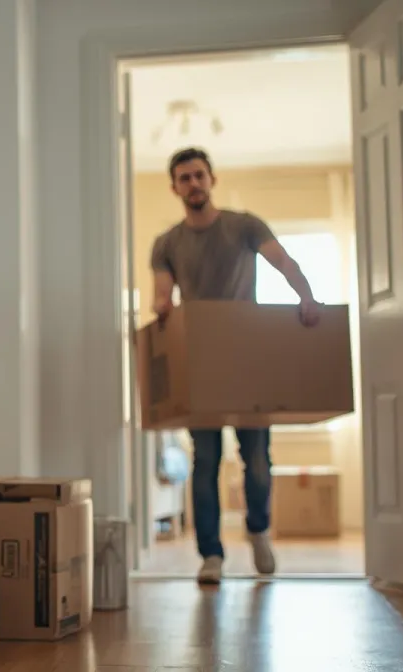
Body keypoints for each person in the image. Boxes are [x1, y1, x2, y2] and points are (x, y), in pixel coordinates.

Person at [149, 147, 321, 584]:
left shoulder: (244, 226)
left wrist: (306, 296)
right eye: (184, 178)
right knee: (205, 462)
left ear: (212, 179)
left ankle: (259, 531)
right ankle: (212, 556)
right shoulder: (167, 243)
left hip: (248, 358)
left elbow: (282, 261)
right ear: (174, 187)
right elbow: (161, 295)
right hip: (199, 364)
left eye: (199, 175)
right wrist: (162, 310)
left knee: (257, 461)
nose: (193, 184)